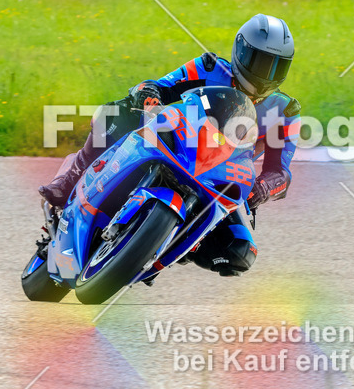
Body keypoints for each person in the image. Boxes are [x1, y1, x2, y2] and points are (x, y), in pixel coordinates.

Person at [38, 14, 300, 277]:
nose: (267, 74)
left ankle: (168, 242)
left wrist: (263, 188)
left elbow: (281, 173)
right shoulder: (209, 67)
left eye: (278, 66)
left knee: (239, 251)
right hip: (181, 146)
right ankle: (70, 179)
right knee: (115, 113)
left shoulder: (285, 111)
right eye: (262, 62)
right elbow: (160, 85)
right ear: (241, 51)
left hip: (220, 176)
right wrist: (147, 93)